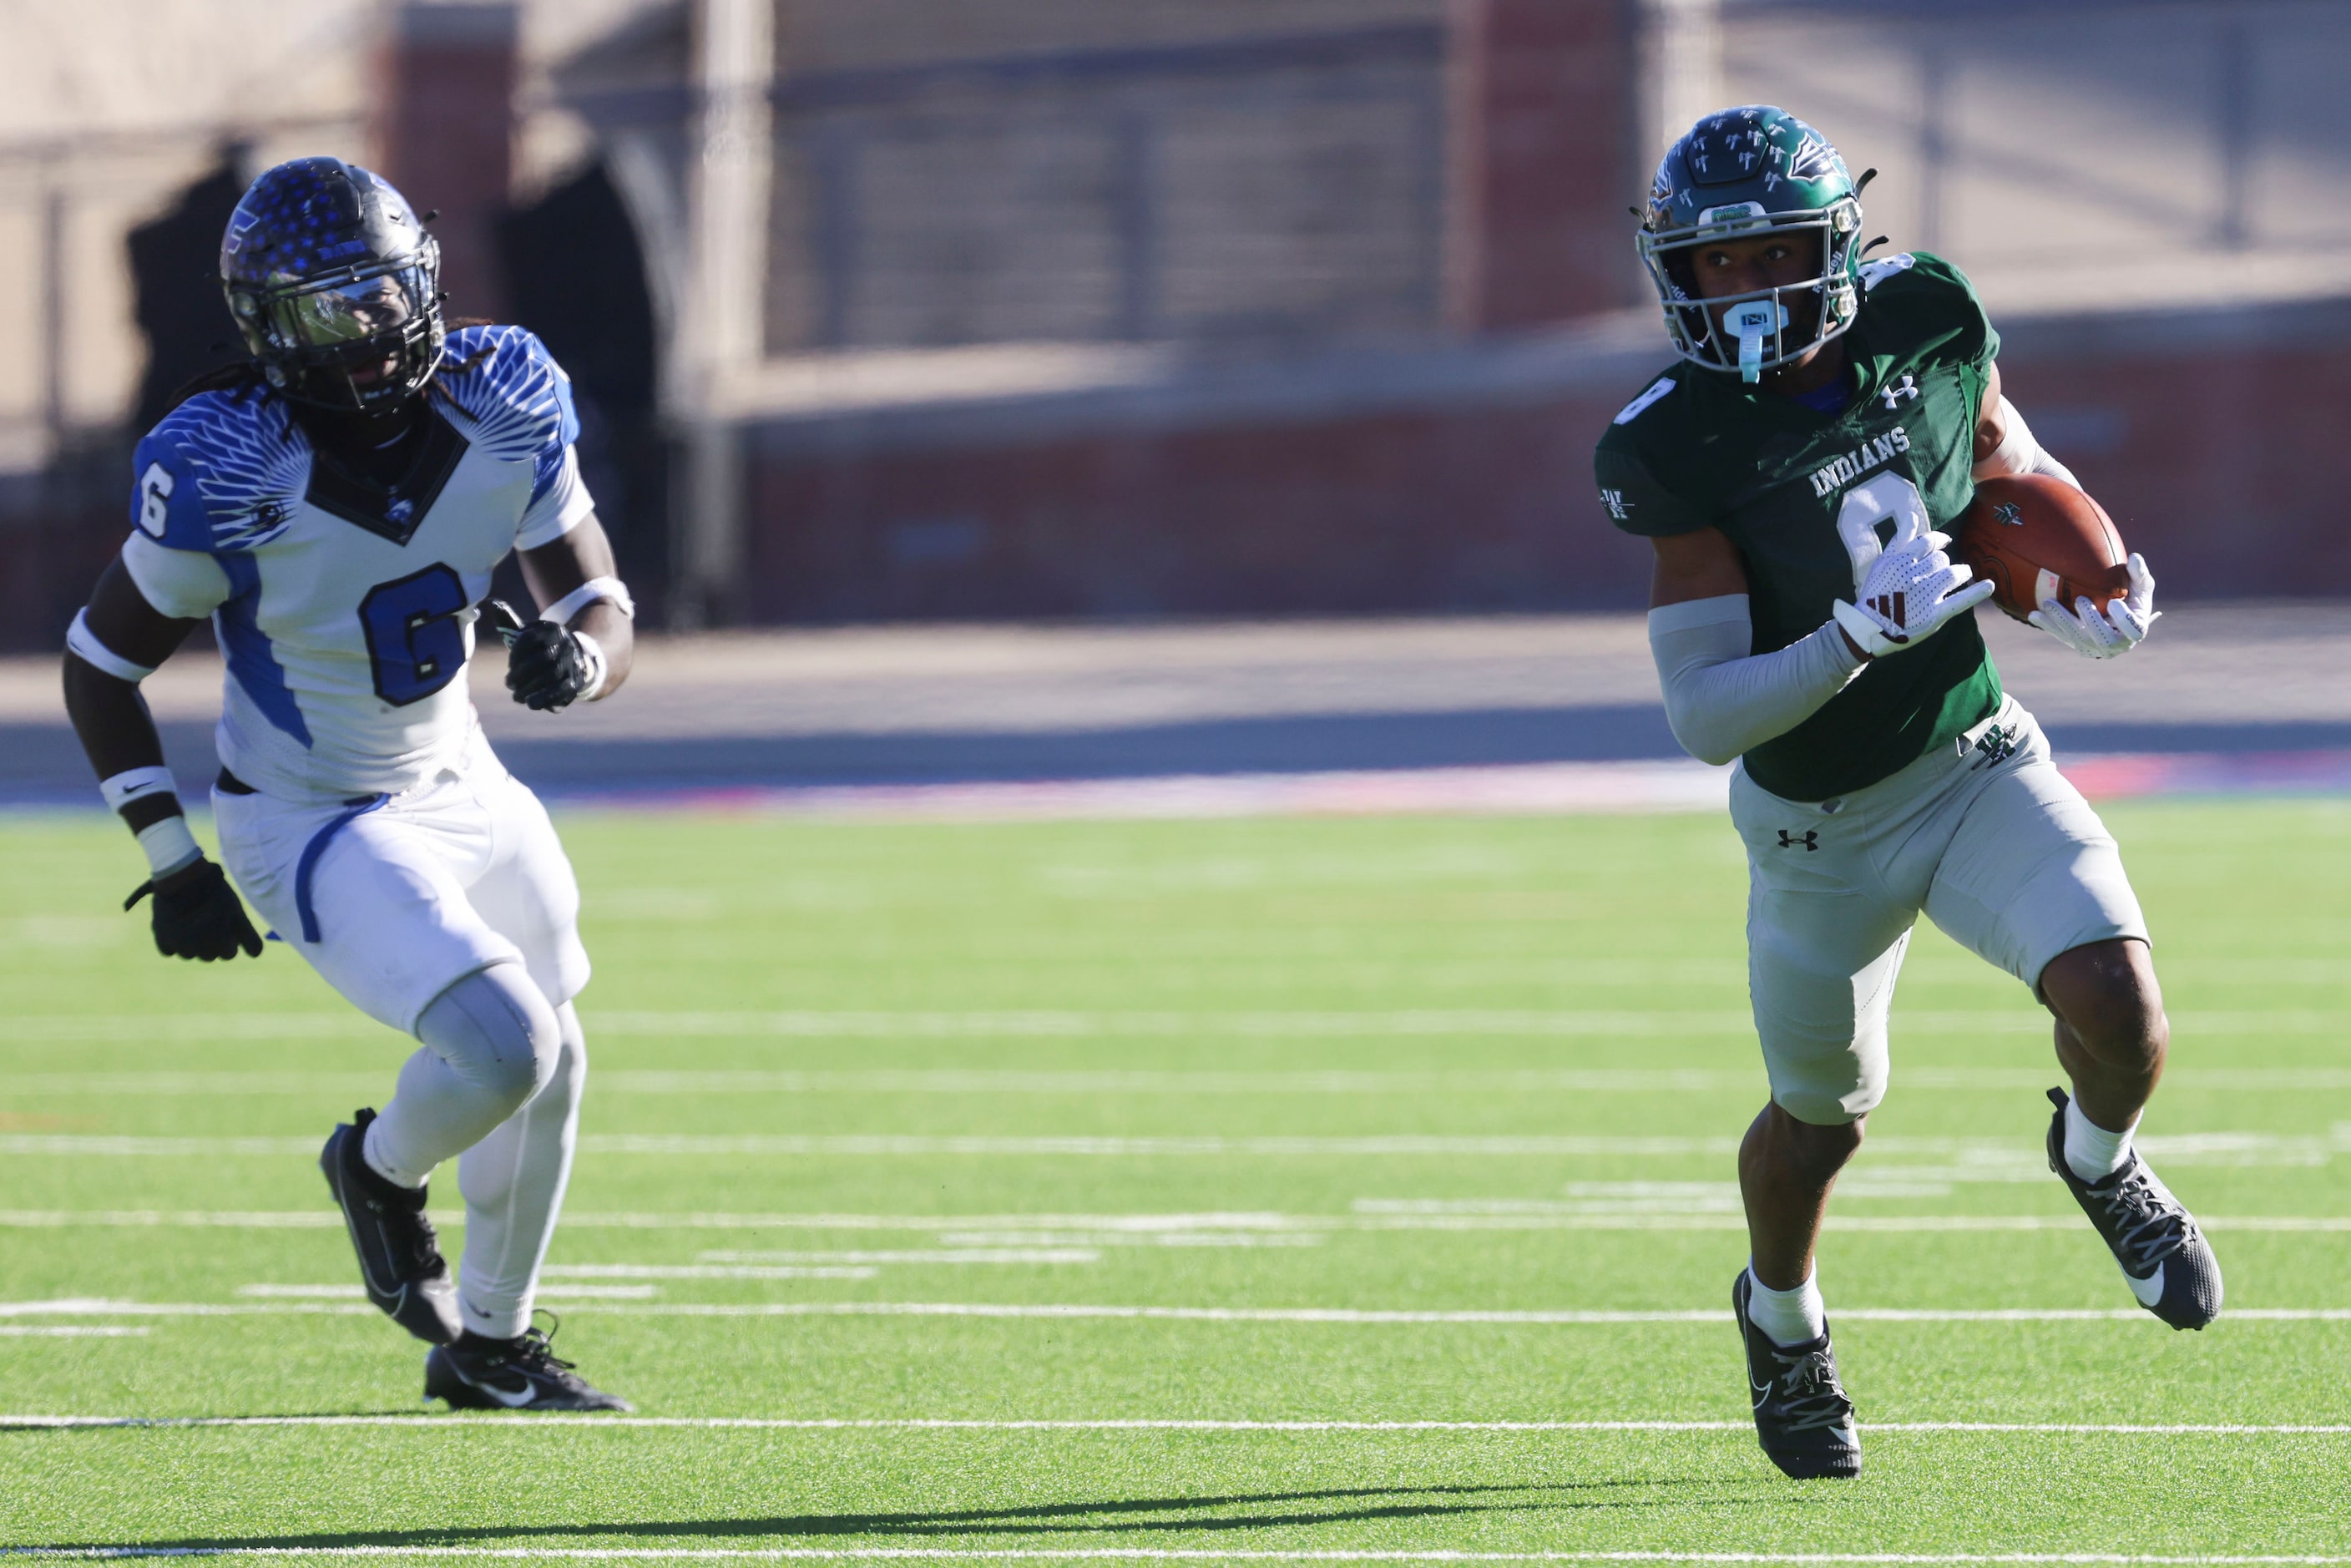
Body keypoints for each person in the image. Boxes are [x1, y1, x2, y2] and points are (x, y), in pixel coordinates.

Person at [1593, 108, 2220, 1480]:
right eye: (1711, 267)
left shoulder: (1928, 316)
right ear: (1674, 275)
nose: (1742, 289)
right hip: (1820, 827)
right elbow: (1704, 716)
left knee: (2122, 1005)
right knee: (1820, 1121)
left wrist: (2087, 583)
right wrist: (1846, 640)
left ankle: (2102, 1162)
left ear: (1836, 246)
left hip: (1975, 755)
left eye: (1770, 255)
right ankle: (1782, 1321)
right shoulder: (1675, 444)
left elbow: (2009, 465)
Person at [61, 157, 635, 1412]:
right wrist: (169, 857)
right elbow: (101, 667)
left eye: (379, 295)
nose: (366, 333)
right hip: (311, 815)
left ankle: (492, 1343)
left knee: (559, 1053)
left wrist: (580, 660)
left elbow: (597, 592)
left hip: (460, 778)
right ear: (268, 331)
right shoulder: (227, 460)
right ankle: (377, 1174)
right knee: (504, 1040)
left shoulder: (503, 389)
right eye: (327, 309)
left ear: (421, 276)